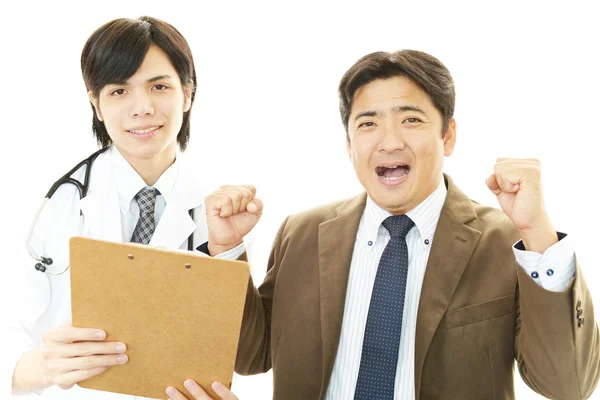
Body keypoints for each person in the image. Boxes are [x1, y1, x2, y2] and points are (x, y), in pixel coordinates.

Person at [204, 50, 600, 399]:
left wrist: (537, 233)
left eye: (411, 119)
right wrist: (225, 250)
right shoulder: (303, 232)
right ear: (349, 145)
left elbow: (569, 386)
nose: (389, 142)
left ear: (448, 136)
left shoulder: (508, 241)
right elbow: (251, 356)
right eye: (367, 124)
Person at [2, 16, 251, 400]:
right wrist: (39, 367)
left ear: (188, 94)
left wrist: (228, 251)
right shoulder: (43, 206)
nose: (142, 108)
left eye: (159, 86)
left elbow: (244, 353)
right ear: (96, 103)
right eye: (119, 91)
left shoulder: (226, 215)